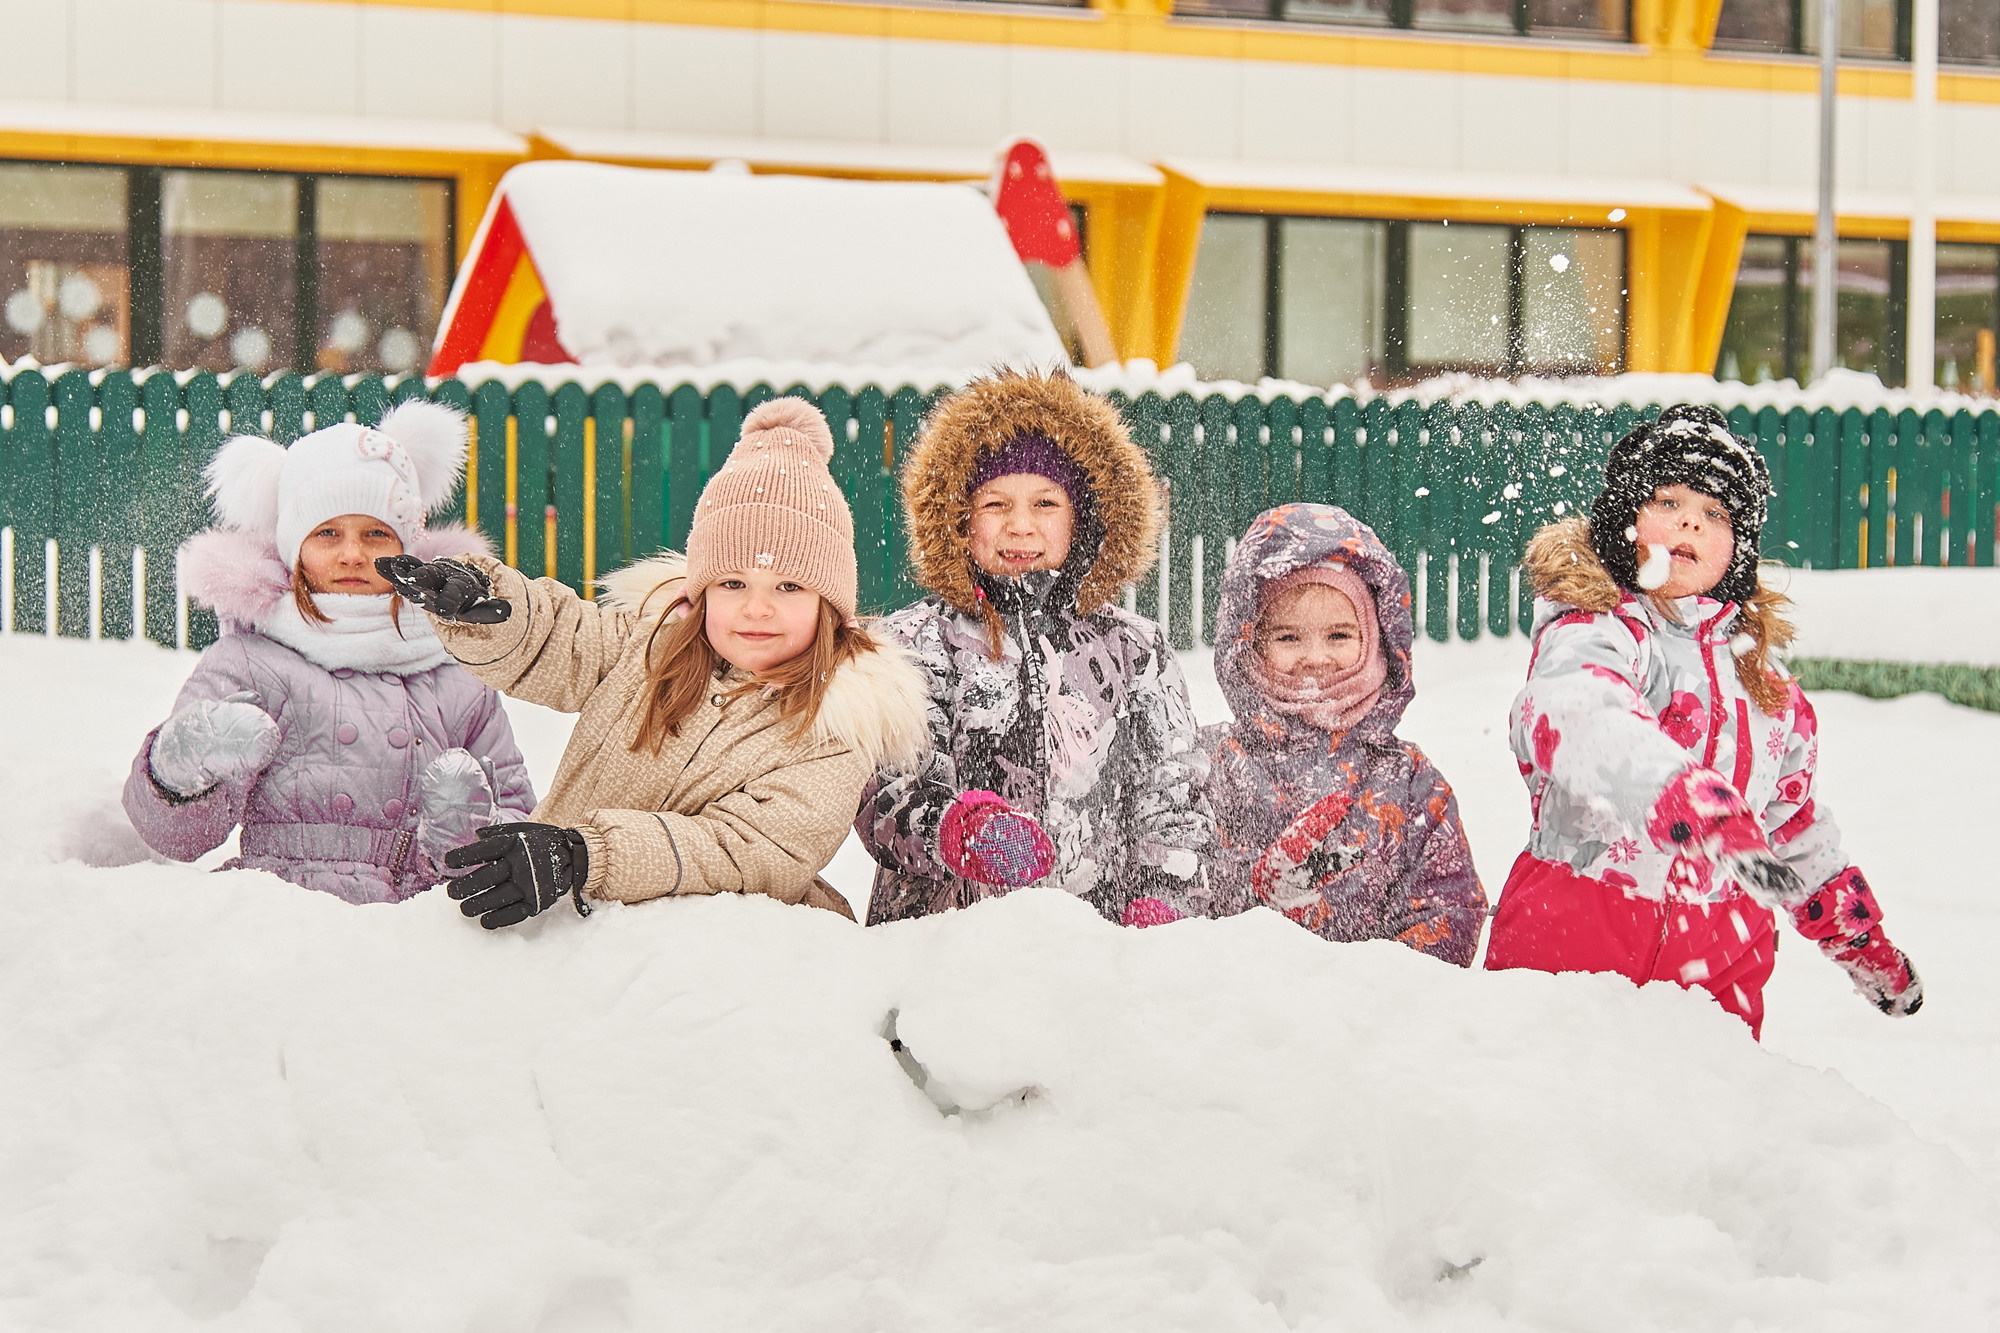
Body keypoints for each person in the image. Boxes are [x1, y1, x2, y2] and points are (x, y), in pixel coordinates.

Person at [379, 397, 930, 929]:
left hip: (720, 966)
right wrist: (486, 606)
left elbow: (749, 850)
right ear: (703, 591)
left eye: (788, 586)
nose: (757, 608)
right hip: (567, 919)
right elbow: (561, 639)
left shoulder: (837, 725)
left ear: (828, 603)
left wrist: (587, 856)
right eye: (733, 582)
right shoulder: (651, 647)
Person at [1484, 405, 1922, 1037]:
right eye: (1668, 500)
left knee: (1706, 1124)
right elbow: (1572, 710)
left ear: (1737, 552)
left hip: (1719, 962)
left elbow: (1792, 829)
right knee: (1555, 1119)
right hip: (1575, 935)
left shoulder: (1767, 690)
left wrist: (1860, 940)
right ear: (1625, 521)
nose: (1691, 519)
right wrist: (1674, 791)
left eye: (1715, 514)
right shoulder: (1599, 630)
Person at [123, 400, 535, 903]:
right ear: (294, 549)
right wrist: (177, 770)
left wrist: (470, 836)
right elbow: (176, 839)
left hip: (421, 945)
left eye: (376, 533)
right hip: (286, 934)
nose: (353, 554)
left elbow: (518, 815)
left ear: (405, 546)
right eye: (328, 534)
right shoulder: (252, 663)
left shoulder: (456, 674)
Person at [857, 368, 1212, 927]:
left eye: (1046, 504)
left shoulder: (1133, 649)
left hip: (1101, 949)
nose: (1021, 527)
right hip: (940, 948)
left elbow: (1174, 795)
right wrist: (954, 830)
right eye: (996, 504)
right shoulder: (912, 645)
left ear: (1084, 518)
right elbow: (883, 789)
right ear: (959, 519)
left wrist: (1162, 899)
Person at [1200, 503, 1485, 963]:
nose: (1316, 657)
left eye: (1338, 636)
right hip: (1243, 1018)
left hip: (1368, 1023)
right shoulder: (1213, 767)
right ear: (1249, 643)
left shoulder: (1411, 784)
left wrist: (1360, 990)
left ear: (1374, 638)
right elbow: (1171, 889)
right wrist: (1251, 905)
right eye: (1288, 638)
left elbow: (1448, 910)